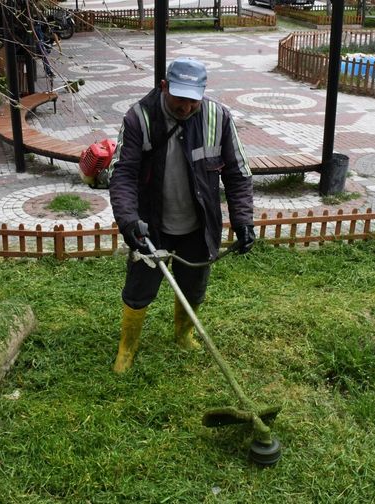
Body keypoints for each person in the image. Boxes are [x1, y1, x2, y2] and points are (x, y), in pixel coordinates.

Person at [107, 57, 255, 374]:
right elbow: (122, 174)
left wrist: (243, 221)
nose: (186, 107)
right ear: (164, 87)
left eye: (193, 100)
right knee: (139, 290)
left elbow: (238, 174)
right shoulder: (139, 118)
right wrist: (129, 221)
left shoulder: (218, 117)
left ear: (202, 93)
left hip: (198, 226)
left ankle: (184, 334)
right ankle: (127, 348)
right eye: (179, 99)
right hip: (151, 225)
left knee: (194, 287)